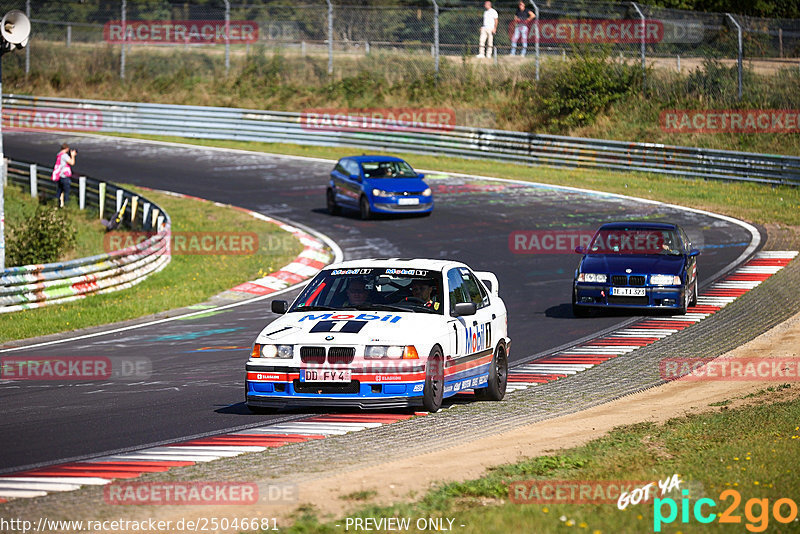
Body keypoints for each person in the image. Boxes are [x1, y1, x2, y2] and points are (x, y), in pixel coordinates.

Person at [52, 143, 76, 208]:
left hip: (59, 176)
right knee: (66, 192)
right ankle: (66, 206)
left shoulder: (59, 154)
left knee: (59, 191)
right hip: (64, 176)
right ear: (67, 149)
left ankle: (56, 204)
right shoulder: (64, 156)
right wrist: (72, 155)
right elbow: (72, 162)